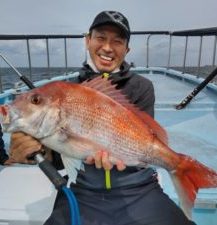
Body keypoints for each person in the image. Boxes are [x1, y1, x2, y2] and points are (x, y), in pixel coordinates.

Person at [7, 11, 196, 225]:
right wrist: (37, 151)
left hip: (137, 188)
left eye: (117, 41)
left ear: (127, 49)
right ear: (88, 41)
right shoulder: (69, 89)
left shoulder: (142, 87)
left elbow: (143, 142)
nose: (107, 47)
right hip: (83, 190)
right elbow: (65, 153)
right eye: (100, 38)